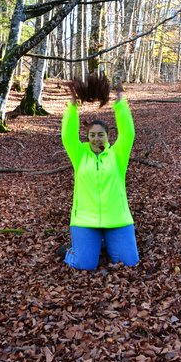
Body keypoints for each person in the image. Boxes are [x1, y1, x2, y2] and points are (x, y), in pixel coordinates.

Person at [60, 84, 139, 270]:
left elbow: (128, 134)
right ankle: (70, 251)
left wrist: (120, 105)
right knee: (84, 265)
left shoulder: (117, 155)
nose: (96, 138)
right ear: (87, 137)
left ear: (107, 136)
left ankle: (101, 245)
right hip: (85, 220)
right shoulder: (79, 156)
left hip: (117, 218)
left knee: (130, 263)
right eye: (92, 135)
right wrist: (72, 106)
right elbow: (67, 136)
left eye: (100, 135)